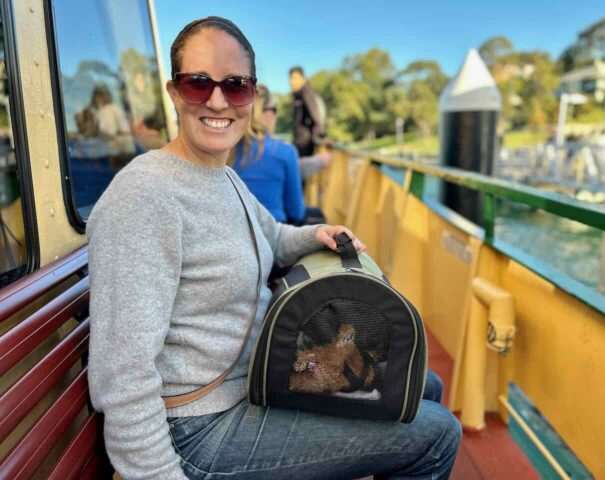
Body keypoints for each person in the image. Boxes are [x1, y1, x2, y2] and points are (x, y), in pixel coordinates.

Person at [87, 16, 460, 480]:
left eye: (236, 86)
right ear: (174, 92)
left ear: (253, 95)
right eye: (198, 84)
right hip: (199, 428)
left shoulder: (222, 178)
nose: (218, 101)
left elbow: (270, 234)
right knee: (437, 431)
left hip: (256, 378)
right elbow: (122, 375)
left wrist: (313, 234)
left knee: (423, 384)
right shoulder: (144, 196)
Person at [231, 84, 305, 224]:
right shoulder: (285, 152)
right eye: (274, 109)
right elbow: (296, 212)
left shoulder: (225, 151)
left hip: (235, 234)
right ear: (263, 113)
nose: (275, 115)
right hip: (273, 237)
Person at [290, 66, 325, 156]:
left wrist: (318, 137)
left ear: (303, 79)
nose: (292, 82)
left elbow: (316, 117)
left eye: (295, 78)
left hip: (306, 145)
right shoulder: (297, 96)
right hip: (299, 143)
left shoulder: (306, 93)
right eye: (291, 78)